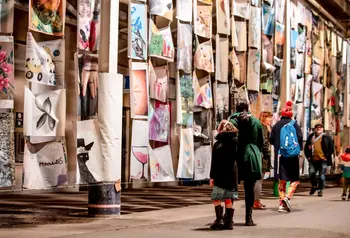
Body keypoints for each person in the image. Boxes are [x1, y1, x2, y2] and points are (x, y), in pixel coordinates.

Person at [229, 100, 264, 226]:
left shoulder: (232, 121)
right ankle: (248, 218)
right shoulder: (256, 122)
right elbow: (261, 141)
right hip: (251, 158)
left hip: (235, 156)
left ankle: (229, 218)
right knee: (249, 189)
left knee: (231, 187)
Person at [270, 101, 303, 213]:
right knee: (295, 179)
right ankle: (287, 198)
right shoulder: (294, 124)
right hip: (293, 156)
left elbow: (271, 140)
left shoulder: (276, 125)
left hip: (281, 156)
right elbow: (299, 138)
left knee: (282, 180)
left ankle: (281, 202)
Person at [209, 120, 238, 230]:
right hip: (231, 174)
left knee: (216, 198)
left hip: (220, 174)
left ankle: (219, 219)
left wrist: (212, 177)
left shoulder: (218, 144)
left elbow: (214, 162)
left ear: (220, 130)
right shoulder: (235, 142)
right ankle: (229, 222)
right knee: (228, 198)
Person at [304, 123, 334, 197]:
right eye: (317, 127)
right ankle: (314, 186)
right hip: (313, 159)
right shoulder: (311, 137)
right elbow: (306, 148)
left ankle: (320, 190)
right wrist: (308, 156)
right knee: (311, 174)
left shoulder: (326, 137)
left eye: (320, 127)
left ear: (322, 129)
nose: (319, 128)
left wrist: (326, 157)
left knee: (321, 176)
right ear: (315, 129)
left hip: (322, 160)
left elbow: (331, 149)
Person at [253, 111, 273, 210]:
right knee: (259, 180)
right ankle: (256, 201)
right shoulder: (263, 128)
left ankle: (255, 200)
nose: (271, 120)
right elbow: (265, 143)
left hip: (256, 155)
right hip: (262, 157)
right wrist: (268, 154)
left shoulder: (257, 127)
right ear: (264, 118)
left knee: (256, 180)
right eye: (269, 118)